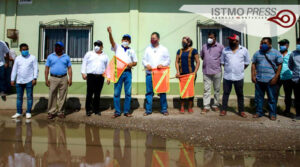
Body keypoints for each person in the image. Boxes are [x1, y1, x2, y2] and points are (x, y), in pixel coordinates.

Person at [107, 26, 137, 118]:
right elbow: (112, 42)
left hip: (128, 72)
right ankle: (117, 111)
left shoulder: (132, 51)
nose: (126, 41)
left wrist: (131, 64)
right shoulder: (117, 47)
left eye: (127, 40)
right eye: (124, 39)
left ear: (130, 41)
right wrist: (110, 33)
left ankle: (127, 111)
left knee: (128, 93)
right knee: (117, 93)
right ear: (121, 40)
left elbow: (135, 62)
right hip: (118, 72)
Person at [251, 37, 283, 120]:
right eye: (261, 43)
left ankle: (272, 114)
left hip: (271, 80)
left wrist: (276, 77)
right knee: (259, 98)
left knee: (272, 98)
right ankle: (259, 112)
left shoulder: (276, 53)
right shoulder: (257, 53)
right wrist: (253, 75)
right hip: (259, 80)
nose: (262, 45)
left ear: (270, 44)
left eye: (265, 43)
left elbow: (280, 66)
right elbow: (253, 64)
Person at [220, 34, 250, 117]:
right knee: (225, 94)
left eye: (232, 40)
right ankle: (223, 110)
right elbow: (222, 62)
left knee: (240, 94)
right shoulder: (225, 50)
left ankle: (241, 111)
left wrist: (239, 69)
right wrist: (229, 68)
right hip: (227, 76)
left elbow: (247, 63)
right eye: (230, 40)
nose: (230, 41)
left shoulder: (244, 50)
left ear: (237, 41)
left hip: (239, 76)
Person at [142, 32, 170, 116]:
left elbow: (168, 60)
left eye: (154, 38)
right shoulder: (147, 49)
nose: (152, 40)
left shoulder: (164, 49)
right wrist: (147, 65)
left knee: (162, 92)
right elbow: (143, 60)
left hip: (160, 74)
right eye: (151, 38)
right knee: (149, 92)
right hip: (150, 74)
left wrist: (163, 65)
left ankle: (164, 109)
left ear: (158, 39)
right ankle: (148, 110)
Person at [45, 42, 72, 119]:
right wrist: (46, 79)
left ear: (62, 48)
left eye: (59, 47)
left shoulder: (66, 57)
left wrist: (70, 79)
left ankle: (61, 112)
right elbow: (47, 68)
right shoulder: (50, 56)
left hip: (64, 78)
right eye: (56, 46)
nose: (57, 48)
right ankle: (51, 112)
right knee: (52, 95)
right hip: (53, 78)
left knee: (62, 96)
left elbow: (69, 68)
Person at [11, 43, 38, 119]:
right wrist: (12, 79)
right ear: (20, 50)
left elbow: (36, 68)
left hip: (29, 80)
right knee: (19, 97)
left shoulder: (32, 58)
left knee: (29, 97)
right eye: (23, 50)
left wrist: (35, 78)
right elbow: (14, 69)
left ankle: (28, 112)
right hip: (19, 81)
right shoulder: (17, 58)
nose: (25, 51)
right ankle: (18, 112)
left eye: (26, 49)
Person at [81, 40, 109, 117]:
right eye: (96, 45)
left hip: (100, 77)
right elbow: (84, 63)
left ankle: (96, 109)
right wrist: (83, 73)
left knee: (97, 94)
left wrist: (108, 77)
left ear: (102, 46)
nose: (97, 46)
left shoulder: (105, 56)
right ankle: (88, 110)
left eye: (99, 45)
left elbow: (107, 67)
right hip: (91, 76)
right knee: (89, 93)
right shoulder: (89, 54)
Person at [200, 32, 224, 113]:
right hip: (206, 71)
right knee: (206, 89)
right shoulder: (204, 46)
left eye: (211, 37)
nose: (209, 39)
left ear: (215, 38)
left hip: (217, 71)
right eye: (208, 37)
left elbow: (223, 57)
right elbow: (202, 56)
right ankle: (206, 106)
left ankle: (215, 105)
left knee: (217, 89)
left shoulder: (220, 47)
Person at [175, 36, 200, 113]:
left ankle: (189, 107)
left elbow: (198, 61)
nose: (183, 43)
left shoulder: (194, 51)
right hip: (182, 75)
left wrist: (195, 72)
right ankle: (182, 107)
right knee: (183, 91)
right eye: (182, 42)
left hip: (191, 75)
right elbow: (176, 62)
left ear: (189, 43)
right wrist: (178, 72)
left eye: (184, 42)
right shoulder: (179, 51)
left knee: (190, 91)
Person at [277, 39, 293, 116]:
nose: (281, 46)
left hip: (288, 77)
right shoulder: (277, 54)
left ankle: (287, 110)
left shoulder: (291, 54)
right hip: (278, 76)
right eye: (280, 45)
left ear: (287, 45)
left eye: (283, 44)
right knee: (274, 94)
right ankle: (274, 109)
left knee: (288, 95)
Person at [288, 38, 300, 120]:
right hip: (296, 79)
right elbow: (290, 65)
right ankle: (298, 114)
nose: (298, 45)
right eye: (298, 43)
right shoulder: (293, 54)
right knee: (298, 98)